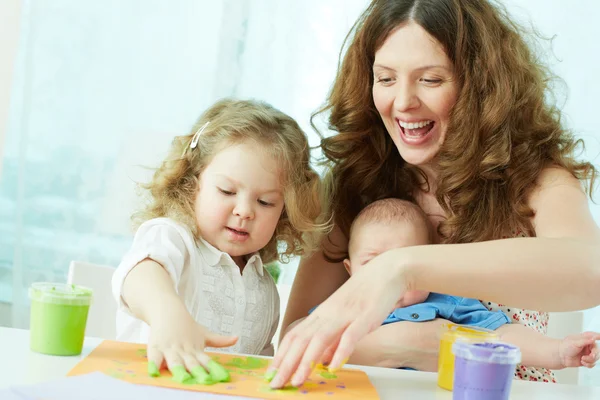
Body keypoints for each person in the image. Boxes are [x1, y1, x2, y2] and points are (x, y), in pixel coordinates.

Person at [268, 0, 600, 389]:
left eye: (430, 80)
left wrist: (401, 268)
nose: (404, 102)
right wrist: (410, 343)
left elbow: (590, 269)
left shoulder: (536, 181)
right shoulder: (354, 185)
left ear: (481, 86)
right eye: (386, 78)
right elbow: (294, 342)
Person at [111, 99, 326, 383]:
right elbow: (140, 274)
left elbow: (257, 366)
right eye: (227, 191)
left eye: (265, 202)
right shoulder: (172, 237)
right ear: (192, 183)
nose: (245, 211)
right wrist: (167, 315)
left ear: (285, 210)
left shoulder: (264, 287)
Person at [319, 198, 598, 377]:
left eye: (400, 263)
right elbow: (303, 340)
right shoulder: (342, 309)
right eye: (371, 264)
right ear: (349, 270)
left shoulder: (449, 303)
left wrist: (558, 352)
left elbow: (502, 335)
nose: (386, 279)